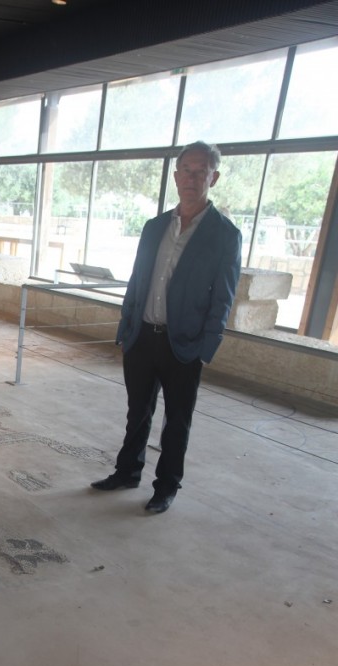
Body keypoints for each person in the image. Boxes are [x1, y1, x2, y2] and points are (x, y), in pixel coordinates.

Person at [91, 141, 242, 513]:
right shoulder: (155, 226)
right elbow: (137, 280)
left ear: (214, 177)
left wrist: (206, 348)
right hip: (142, 337)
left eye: (200, 170)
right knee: (137, 412)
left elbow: (224, 297)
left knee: (177, 422)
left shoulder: (225, 234)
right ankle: (127, 472)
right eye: (185, 170)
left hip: (184, 345)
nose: (191, 178)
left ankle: (166, 487)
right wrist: (126, 331)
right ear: (176, 176)